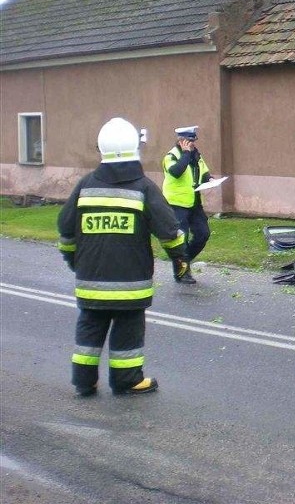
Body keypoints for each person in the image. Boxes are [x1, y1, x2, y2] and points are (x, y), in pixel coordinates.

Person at [58, 117, 189, 397]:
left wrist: (74, 261)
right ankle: (127, 380)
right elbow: (168, 230)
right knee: (128, 330)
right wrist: (180, 258)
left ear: (102, 149)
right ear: (135, 149)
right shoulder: (143, 187)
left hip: (91, 282)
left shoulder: (85, 186)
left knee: (89, 330)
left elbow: (66, 231)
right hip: (130, 285)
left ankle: (84, 381)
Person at [162, 125, 212, 284]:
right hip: (177, 203)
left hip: (195, 203)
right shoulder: (171, 156)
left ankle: (183, 262)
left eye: (193, 140)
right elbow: (176, 172)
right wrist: (185, 153)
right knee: (180, 240)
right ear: (180, 140)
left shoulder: (197, 154)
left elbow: (203, 172)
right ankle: (182, 272)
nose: (192, 143)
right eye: (188, 141)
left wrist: (209, 179)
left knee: (203, 234)